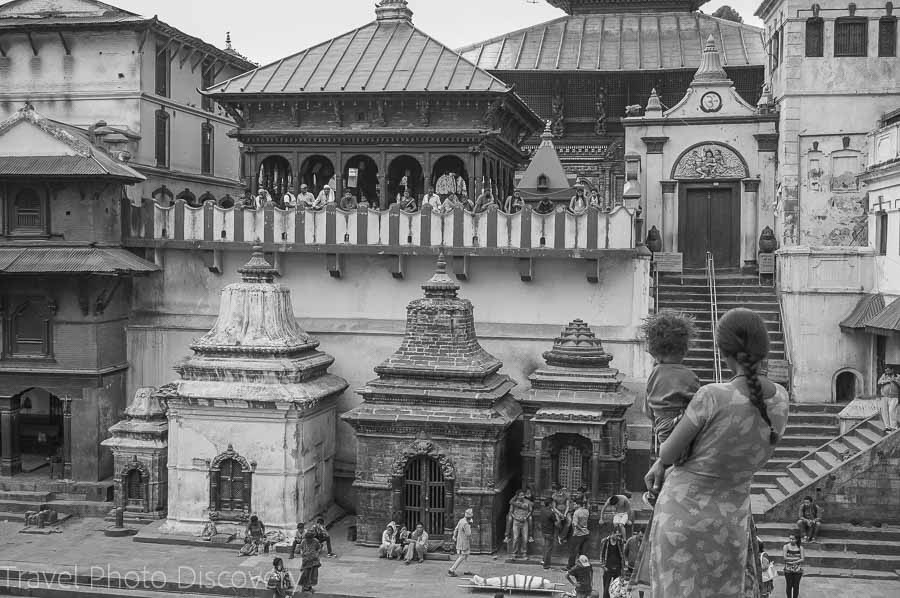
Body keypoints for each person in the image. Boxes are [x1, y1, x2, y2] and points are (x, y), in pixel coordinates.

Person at [643, 307, 790, 598]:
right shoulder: (782, 399)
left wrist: (661, 462)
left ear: (723, 350)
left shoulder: (712, 396)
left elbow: (669, 451)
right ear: (764, 349)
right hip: (732, 522)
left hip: (682, 517)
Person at [641, 310, 702, 476]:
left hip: (663, 430)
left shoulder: (654, 374)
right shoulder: (690, 376)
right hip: (684, 430)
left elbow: (647, 410)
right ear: (684, 350)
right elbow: (699, 407)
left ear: (654, 351)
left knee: (671, 461)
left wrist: (659, 420)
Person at [505, 490, 533, 559]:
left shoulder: (527, 502)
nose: (522, 496)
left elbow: (530, 511)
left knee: (525, 538)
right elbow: (511, 512)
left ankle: (524, 553)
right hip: (516, 521)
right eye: (520, 495)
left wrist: (526, 517)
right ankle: (514, 553)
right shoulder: (514, 503)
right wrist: (516, 518)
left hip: (524, 521)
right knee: (515, 538)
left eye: (523, 495)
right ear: (517, 496)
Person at [447, 508, 474, 577]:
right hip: (464, 542)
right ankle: (451, 569)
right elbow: (469, 534)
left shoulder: (461, 520)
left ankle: (466, 570)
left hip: (460, 541)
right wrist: (470, 525)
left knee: (466, 556)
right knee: (462, 556)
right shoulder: (466, 523)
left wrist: (454, 536)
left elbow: (456, 529)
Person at [599, 530, 625, 598]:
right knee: (606, 587)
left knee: (616, 588)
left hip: (617, 568)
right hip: (608, 568)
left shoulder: (619, 542)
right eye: (616, 535)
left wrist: (622, 568)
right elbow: (602, 554)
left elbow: (622, 555)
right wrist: (603, 566)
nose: (617, 537)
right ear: (611, 534)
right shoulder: (606, 542)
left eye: (618, 535)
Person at [567, 500, 591, 569]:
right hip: (586, 533)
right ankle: (582, 566)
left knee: (573, 551)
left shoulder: (576, 512)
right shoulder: (586, 511)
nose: (574, 506)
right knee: (583, 551)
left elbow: (575, 524)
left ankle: (570, 566)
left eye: (574, 504)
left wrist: (581, 529)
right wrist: (584, 529)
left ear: (578, 504)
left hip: (578, 534)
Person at [298, 529, 321, 593]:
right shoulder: (303, 541)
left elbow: (319, 548)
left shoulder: (315, 541)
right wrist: (302, 553)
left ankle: (309, 587)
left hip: (313, 561)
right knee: (305, 574)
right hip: (306, 561)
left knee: (312, 575)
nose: (308, 540)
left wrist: (317, 553)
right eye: (307, 539)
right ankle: (304, 587)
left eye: (309, 539)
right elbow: (301, 549)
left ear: (312, 538)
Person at [622, 528, 643, 598]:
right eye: (640, 536)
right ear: (637, 534)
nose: (641, 538)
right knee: (628, 584)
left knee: (641, 585)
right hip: (630, 567)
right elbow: (625, 552)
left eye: (643, 536)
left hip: (640, 568)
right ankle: (628, 596)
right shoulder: (630, 540)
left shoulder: (646, 542)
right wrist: (626, 562)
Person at [878, 366, 899, 432]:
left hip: (894, 396)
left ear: (892, 370)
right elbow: (879, 382)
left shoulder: (898, 376)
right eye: (886, 371)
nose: (887, 372)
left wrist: (894, 380)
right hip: (884, 396)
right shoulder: (884, 375)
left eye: (888, 371)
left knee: (891, 411)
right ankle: (887, 426)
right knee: (884, 411)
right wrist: (886, 381)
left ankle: (894, 426)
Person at [782, 532, 804, 598]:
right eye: (790, 539)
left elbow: (802, 559)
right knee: (789, 585)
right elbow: (785, 558)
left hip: (798, 569)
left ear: (797, 539)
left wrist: (792, 562)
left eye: (793, 539)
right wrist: (797, 559)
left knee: (796, 586)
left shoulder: (800, 547)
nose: (791, 540)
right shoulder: (786, 546)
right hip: (788, 569)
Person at [538, 498, 556, 569]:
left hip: (544, 531)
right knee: (548, 549)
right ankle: (546, 565)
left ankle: (543, 560)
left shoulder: (542, 510)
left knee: (545, 546)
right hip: (550, 532)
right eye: (552, 503)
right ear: (550, 504)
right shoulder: (551, 513)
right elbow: (555, 520)